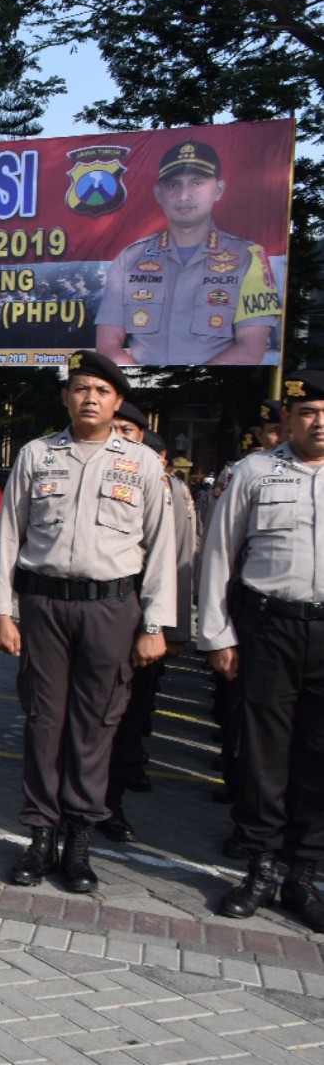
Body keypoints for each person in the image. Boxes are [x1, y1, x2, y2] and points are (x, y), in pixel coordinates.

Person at [0, 351, 176, 892]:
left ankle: (80, 841)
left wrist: (155, 624)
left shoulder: (141, 464)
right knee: (44, 721)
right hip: (44, 606)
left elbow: (161, 549)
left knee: (96, 725)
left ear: (117, 402)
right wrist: (1, 610)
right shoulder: (37, 455)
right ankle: (40, 835)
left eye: (102, 392)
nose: (90, 399)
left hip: (112, 609)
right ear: (66, 397)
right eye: (81, 389)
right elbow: (9, 536)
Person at [200, 371, 324, 932]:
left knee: (317, 759)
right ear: (288, 421)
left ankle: (304, 873)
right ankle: (260, 867)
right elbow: (218, 558)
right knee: (262, 753)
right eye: (308, 413)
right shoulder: (252, 473)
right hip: (269, 628)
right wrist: (219, 635)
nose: (318, 422)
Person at [96, 140, 282, 365]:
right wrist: (144, 385)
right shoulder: (130, 259)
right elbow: (108, 346)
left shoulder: (248, 257)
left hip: (215, 392)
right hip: (141, 390)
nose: (184, 195)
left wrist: (189, 386)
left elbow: (250, 349)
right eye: (174, 185)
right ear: (158, 193)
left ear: (219, 190)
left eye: (197, 183)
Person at [101, 427, 196, 842]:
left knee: (128, 714)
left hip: (141, 618)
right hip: (92, 611)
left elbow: (180, 559)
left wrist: (172, 628)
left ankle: (111, 801)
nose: (119, 437)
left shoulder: (164, 486)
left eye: (128, 431)